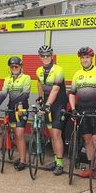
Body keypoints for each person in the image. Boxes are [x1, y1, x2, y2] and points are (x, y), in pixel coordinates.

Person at [69, 46, 96, 179]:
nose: (85, 60)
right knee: (87, 139)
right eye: (83, 57)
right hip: (82, 111)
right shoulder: (77, 74)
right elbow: (72, 93)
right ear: (80, 59)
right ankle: (91, 169)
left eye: (87, 57)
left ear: (92, 58)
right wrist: (73, 109)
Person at [0, 56, 31, 171]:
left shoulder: (26, 78)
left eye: (16, 66)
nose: (14, 68)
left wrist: (19, 103)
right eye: (12, 67)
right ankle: (19, 155)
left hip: (21, 109)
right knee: (15, 134)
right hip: (11, 110)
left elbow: (26, 94)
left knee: (19, 134)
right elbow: (3, 94)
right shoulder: (7, 79)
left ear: (20, 67)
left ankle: (23, 160)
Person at [35, 45, 67, 176]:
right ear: (40, 57)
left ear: (52, 56)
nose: (45, 58)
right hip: (48, 104)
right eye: (43, 56)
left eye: (47, 55)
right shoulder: (39, 71)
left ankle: (60, 164)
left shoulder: (58, 70)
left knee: (56, 134)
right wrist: (40, 97)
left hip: (59, 104)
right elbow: (39, 83)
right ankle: (55, 160)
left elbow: (55, 89)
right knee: (51, 134)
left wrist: (47, 104)